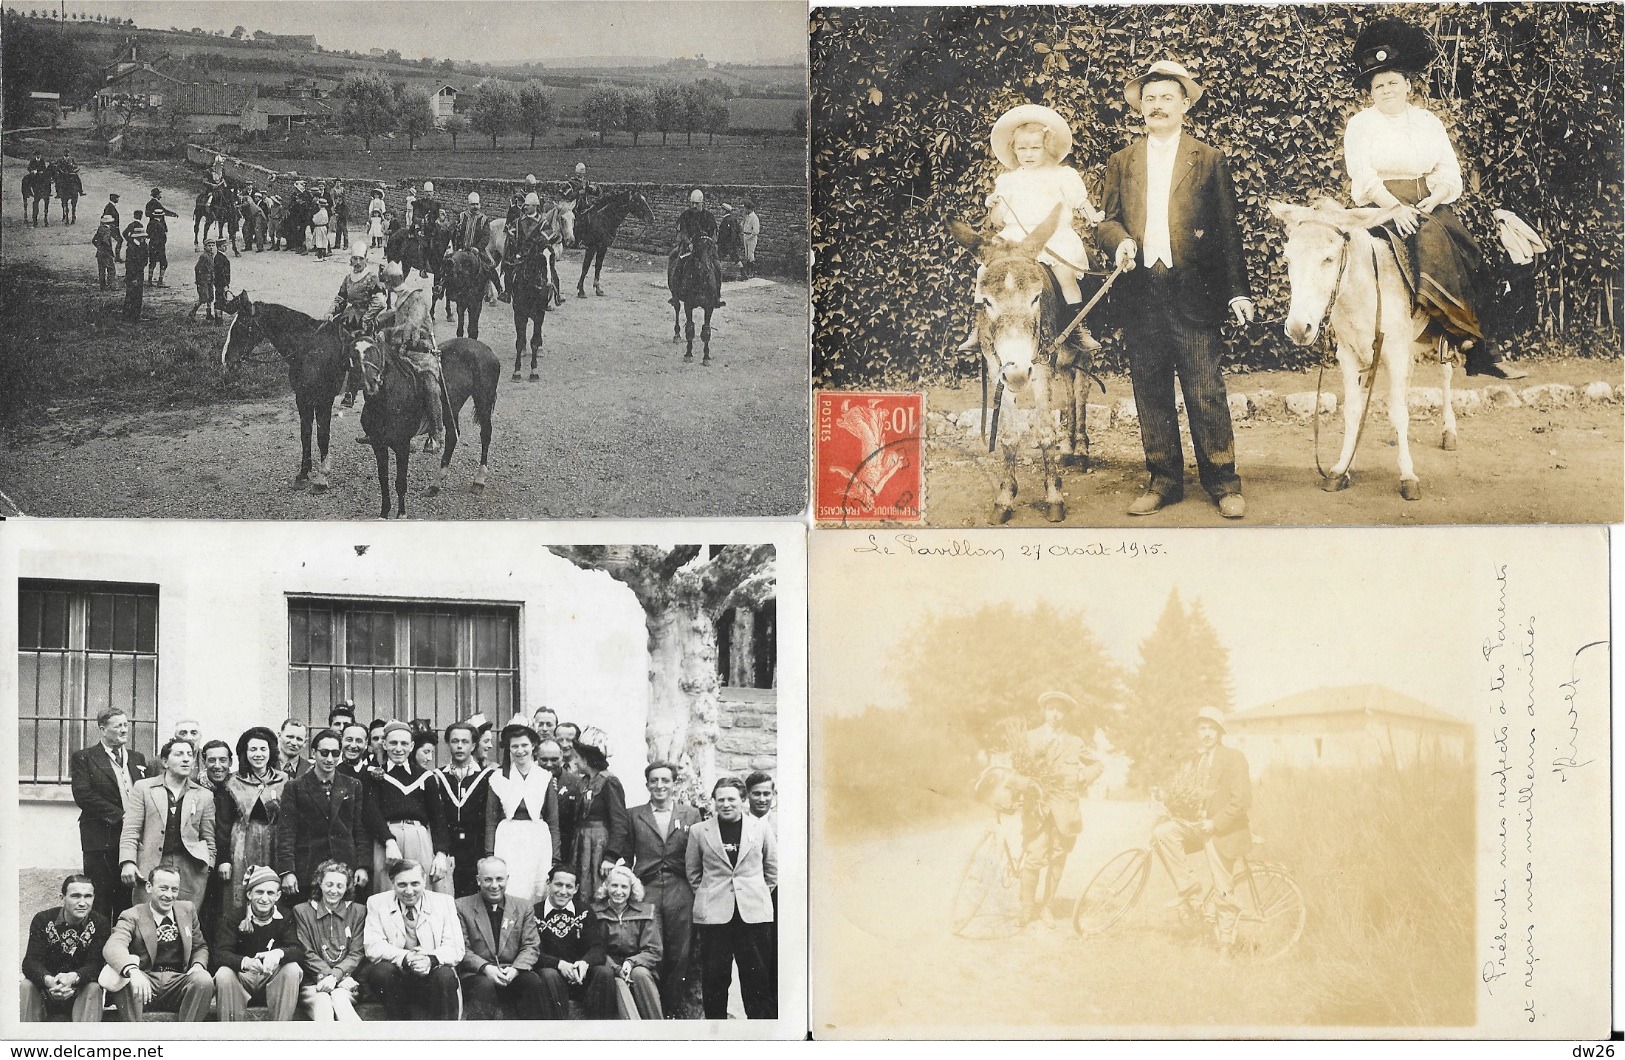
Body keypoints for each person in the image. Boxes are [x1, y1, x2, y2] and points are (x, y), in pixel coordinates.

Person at [1098, 60, 1254, 520]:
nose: (1157, 106)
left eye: (1167, 97)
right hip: (1141, 292)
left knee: (1205, 389)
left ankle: (1224, 483)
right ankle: (1163, 480)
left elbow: (1228, 230)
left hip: (1195, 292)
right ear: (1140, 109)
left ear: (1185, 104)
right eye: (1150, 99)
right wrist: (1121, 240)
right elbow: (1107, 221)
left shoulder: (1208, 158)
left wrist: (1238, 292)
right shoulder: (1121, 161)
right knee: (1150, 390)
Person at [1343, 17, 1523, 380]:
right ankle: (1447, 335)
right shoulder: (1361, 124)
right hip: (1379, 204)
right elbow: (1363, 176)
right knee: (1426, 242)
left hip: (1428, 201)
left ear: (1408, 85)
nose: (1386, 91)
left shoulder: (1427, 122)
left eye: (1393, 83)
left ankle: (1474, 346)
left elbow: (1448, 171)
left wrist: (1435, 196)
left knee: (1467, 251)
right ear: (1370, 91)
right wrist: (1393, 208)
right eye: (1378, 86)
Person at [1150, 706, 1253, 958]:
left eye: (1211, 728)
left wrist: (1215, 823)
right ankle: (1190, 888)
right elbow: (1189, 795)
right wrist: (1165, 797)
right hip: (1200, 827)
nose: (1206, 734)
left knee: (1223, 889)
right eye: (1202, 728)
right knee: (1163, 833)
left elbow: (1242, 800)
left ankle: (1225, 947)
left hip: (1223, 831)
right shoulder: (1196, 760)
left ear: (1220, 732)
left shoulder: (1233, 757)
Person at [687, 776, 776, 1019]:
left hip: (753, 914)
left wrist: (753, 894)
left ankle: (761, 1033)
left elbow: (772, 871)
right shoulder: (699, 831)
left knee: (756, 978)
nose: (726, 804)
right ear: (714, 802)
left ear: (743, 801)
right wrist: (710, 896)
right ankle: (716, 1032)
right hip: (715, 916)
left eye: (732, 799)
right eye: (721, 799)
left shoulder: (761, 829)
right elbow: (693, 873)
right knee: (715, 978)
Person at [1017, 691, 1103, 925]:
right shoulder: (1030, 738)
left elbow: (1097, 764)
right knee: (1034, 856)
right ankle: (1027, 907)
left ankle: (1047, 906)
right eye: (1051, 709)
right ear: (1044, 711)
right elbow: (1018, 768)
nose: (1055, 714)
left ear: (1065, 714)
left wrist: (1083, 776)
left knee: (1057, 858)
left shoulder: (1075, 742)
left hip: (1065, 811)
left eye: (1060, 710)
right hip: (1038, 809)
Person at [629, 759, 701, 1014]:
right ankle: (651, 1009)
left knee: (679, 951)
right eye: (654, 781)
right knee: (650, 947)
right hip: (646, 886)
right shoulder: (634, 814)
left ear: (674, 784)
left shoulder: (690, 813)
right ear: (647, 784)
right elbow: (626, 854)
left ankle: (670, 1010)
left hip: (679, 887)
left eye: (665, 781)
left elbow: (697, 852)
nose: (659, 786)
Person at [99, 865, 215, 1022]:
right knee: (122, 978)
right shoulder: (132, 915)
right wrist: (133, 972)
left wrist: (198, 966)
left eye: (174, 889)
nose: (169, 895)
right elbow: (113, 946)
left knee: (204, 980)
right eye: (163, 888)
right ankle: (137, 1037)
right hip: (144, 982)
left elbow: (199, 946)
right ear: (149, 887)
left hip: (178, 982)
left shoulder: (187, 909)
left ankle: (187, 1037)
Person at [274, 729, 379, 900]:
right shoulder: (295, 787)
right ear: (313, 753)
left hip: (345, 870)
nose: (330, 759)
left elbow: (360, 829)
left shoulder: (353, 785)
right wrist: (287, 871)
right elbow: (286, 832)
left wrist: (363, 866)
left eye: (335, 753)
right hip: (307, 870)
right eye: (324, 753)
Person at [70, 707, 149, 922]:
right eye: (118, 726)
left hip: (132, 842)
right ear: (103, 730)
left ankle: (121, 951)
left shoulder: (137, 758)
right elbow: (83, 795)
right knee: (101, 901)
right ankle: (99, 952)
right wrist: (122, 816)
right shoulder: (84, 757)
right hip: (101, 841)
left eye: (126, 725)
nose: (124, 730)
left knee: (128, 900)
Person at [119, 737, 216, 908]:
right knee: (146, 921)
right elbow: (131, 830)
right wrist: (128, 862)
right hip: (150, 866)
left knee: (184, 921)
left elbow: (208, 836)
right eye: (179, 754)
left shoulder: (204, 795)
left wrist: (207, 867)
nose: (186, 759)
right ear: (165, 761)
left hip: (190, 870)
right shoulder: (143, 788)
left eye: (190, 755)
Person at [362, 858, 464, 1020]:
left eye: (415, 884)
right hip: (398, 978)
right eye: (402, 885)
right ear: (392, 882)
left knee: (445, 975)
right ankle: (402, 1031)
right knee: (381, 971)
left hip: (432, 976)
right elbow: (373, 946)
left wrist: (430, 959)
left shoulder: (444, 903)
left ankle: (444, 1036)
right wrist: (406, 957)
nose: (409, 891)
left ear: (424, 881)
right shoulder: (377, 903)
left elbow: (456, 948)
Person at [366, 261, 448, 453]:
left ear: (390, 283)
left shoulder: (416, 298)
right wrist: (380, 319)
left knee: (430, 386)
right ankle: (379, 428)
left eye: (385, 284)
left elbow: (412, 326)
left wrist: (387, 333)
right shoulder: (401, 298)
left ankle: (437, 433)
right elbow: (398, 314)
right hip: (402, 352)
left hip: (422, 352)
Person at [455, 856, 547, 1019]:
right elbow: (462, 948)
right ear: (478, 880)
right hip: (479, 975)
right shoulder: (462, 906)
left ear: (507, 879)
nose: (494, 885)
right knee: (483, 986)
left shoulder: (523, 906)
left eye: (499, 879)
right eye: (488, 880)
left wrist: (516, 969)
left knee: (533, 982)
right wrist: (485, 968)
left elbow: (531, 945)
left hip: (512, 971)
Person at [215, 726, 289, 923]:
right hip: (241, 843)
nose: (258, 754)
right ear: (245, 753)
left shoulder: (283, 781)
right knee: (239, 894)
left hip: (274, 843)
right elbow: (222, 823)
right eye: (253, 750)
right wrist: (224, 859)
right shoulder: (232, 782)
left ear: (270, 752)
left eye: (263, 749)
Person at [369, 720, 453, 894]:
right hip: (387, 841)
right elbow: (371, 813)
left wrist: (441, 853)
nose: (398, 749)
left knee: (421, 890)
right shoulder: (373, 775)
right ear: (384, 744)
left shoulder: (425, 777)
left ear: (412, 745)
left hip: (419, 838)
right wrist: (388, 841)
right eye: (393, 743)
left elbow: (438, 818)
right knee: (387, 892)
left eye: (404, 743)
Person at [212, 865, 304, 1021]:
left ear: (278, 896)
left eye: (270, 893)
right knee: (223, 974)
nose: (264, 898)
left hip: (271, 980)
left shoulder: (286, 916)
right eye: (259, 892)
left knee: (293, 969)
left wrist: (277, 954)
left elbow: (297, 950)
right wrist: (245, 962)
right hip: (243, 980)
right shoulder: (234, 917)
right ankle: (229, 1033)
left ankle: (281, 1032)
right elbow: (220, 954)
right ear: (249, 894)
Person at [487, 724, 563, 905]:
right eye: (514, 746)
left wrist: (555, 857)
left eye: (524, 745)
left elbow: (553, 821)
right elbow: (490, 821)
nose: (520, 751)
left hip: (537, 839)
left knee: (537, 888)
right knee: (512, 886)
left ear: (533, 747)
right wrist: (490, 854)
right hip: (508, 838)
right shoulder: (497, 778)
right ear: (509, 749)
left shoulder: (544, 777)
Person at [21, 875, 108, 1022]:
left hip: (79, 990)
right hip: (47, 990)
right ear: (63, 897)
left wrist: (72, 978)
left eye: (88, 896)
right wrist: (50, 982)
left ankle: (86, 1041)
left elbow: (96, 965)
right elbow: (31, 962)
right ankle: (27, 1038)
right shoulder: (43, 919)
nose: (82, 903)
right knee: (26, 985)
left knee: (93, 987)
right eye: (75, 896)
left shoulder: (100, 923)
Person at [533, 865, 616, 1018]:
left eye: (569, 886)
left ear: (576, 888)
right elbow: (531, 952)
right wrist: (559, 964)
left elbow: (597, 948)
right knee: (549, 975)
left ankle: (601, 1033)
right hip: (551, 976)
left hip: (580, 977)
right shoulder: (534, 913)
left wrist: (584, 963)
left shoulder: (584, 911)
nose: (563, 891)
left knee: (604, 972)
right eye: (558, 884)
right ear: (548, 883)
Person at [292, 860, 367, 1022]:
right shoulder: (302, 911)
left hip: (347, 982)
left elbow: (357, 952)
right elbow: (306, 951)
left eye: (340, 886)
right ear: (319, 883)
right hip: (314, 982)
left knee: (340, 997)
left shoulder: (358, 911)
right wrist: (329, 977)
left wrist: (336, 977)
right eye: (329, 884)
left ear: (347, 887)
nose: (334, 890)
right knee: (323, 1000)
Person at [593, 863, 664, 1019]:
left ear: (631, 889)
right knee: (617, 982)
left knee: (641, 974)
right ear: (606, 887)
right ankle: (635, 1030)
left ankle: (657, 1027)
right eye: (614, 886)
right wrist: (617, 968)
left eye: (624, 887)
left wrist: (631, 963)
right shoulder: (595, 913)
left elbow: (653, 950)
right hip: (608, 966)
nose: (619, 891)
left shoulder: (645, 911)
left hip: (638, 964)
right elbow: (594, 949)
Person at [433, 721, 496, 898]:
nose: (459, 746)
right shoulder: (437, 777)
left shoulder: (488, 776)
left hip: (476, 850)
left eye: (465, 741)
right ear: (448, 744)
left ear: (474, 745)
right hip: (448, 850)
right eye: (454, 741)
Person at [572, 727, 630, 894]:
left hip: (599, 845)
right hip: (581, 843)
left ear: (587, 759)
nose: (575, 761)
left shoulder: (609, 782)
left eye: (577, 757)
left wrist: (611, 856)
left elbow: (620, 822)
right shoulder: (583, 783)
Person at [667, 188, 723, 308]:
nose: (694, 206)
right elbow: (682, 232)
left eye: (696, 203)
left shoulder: (709, 216)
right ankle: (675, 294)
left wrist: (709, 242)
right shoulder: (686, 215)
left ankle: (716, 296)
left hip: (705, 248)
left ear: (702, 203)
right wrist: (688, 243)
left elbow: (713, 233)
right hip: (688, 247)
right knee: (675, 259)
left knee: (717, 267)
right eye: (692, 203)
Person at [537, 738, 584, 869]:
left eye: (554, 759)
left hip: (566, 850)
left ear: (562, 756)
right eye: (544, 760)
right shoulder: (529, 782)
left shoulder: (576, 783)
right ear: (536, 757)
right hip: (537, 847)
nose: (549, 764)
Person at [452, 191, 502, 299]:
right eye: (472, 204)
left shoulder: (484, 219)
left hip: (477, 250)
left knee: (489, 265)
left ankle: (500, 290)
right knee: (450, 264)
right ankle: (445, 289)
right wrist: (458, 247)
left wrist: (478, 248)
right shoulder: (461, 217)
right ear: (468, 205)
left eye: (477, 204)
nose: (475, 207)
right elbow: (456, 233)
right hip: (463, 249)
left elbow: (486, 236)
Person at [143, 187, 180, 287]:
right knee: (163, 262)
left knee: (152, 261)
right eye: (159, 194)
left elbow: (147, 215)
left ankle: (150, 280)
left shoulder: (149, 205)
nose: (161, 195)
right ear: (157, 195)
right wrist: (173, 214)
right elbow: (164, 211)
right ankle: (160, 281)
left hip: (152, 240)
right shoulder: (156, 204)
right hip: (159, 242)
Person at [122, 214, 149, 322]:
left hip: (139, 273)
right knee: (133, 295)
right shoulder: (132, 248)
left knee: (137, 295)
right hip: (134, 274)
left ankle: (133, 315)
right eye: (143, 237)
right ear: (138, 237)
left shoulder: (140, 246)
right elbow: (130, 264)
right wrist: (133, 277)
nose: (144, 239)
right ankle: (131, 316)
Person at [187, 240, 219, 323]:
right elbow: (197, 268)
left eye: (212, 245)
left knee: (211, 297)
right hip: (203, 280)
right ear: (205, 247)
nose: (211, 247)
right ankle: (193, 311)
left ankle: (208, 314)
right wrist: (198, 280)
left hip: (210, 280)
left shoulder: (211, 255)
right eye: (209, 246)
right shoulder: (204, 256)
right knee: (204, 298)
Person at [94, 211, 118, 290]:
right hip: (106, 253)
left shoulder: (100, 229)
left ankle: (102, 286)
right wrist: (108, 250)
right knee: (111, 269)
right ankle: (112, 286)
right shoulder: (107, 230)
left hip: (99, 252)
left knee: (101, 270)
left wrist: (99, 247)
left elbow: (94, 240)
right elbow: (105, 240)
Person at [211, 237, 233, 321]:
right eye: (224, 246)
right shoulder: (219, 257)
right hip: (221, 283)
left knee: (221, 300)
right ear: (219, 247)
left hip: (222, 283)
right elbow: (220, 273)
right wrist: (225, 284)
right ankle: (218, 319)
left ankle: (219, 318)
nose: (225, 247)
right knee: (220, 301)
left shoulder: (220, 256)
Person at [718, 202, 745, 267]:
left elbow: (725, 233)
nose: (720, 211)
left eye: (722, 209)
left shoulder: (726, 220)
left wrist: (722, 242)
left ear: (725, 211)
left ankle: (718, 273)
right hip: (730, 243)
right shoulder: (732, 219)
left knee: (719, 257)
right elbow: (738, 230)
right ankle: (742, 271)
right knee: (734, 257)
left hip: (726, 243)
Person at [740, 199, 761, 277]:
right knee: (746, 255)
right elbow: (743, 225)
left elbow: (756, 231)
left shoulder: (754, 217)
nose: (744, 210)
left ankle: (752, 272)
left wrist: (749, 237)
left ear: (749, 208)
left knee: (750, 255)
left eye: (745, 208)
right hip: (746, 235)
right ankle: (748, 271)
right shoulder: (747, 216)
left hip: (751, 237)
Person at [103, 192, 123, 260]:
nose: (118, 199)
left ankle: (113, 256)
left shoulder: (110, 206)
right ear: (114, 199)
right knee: (120, 240)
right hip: (112, 227)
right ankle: (117, 257)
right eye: (117, 198)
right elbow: (105, 217)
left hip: (113, 227)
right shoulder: (109, 207)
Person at [311, 196, 332, 260]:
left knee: (319, 241)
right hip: (324, 227)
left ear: (320, 205)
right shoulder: (325, 211)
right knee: (324, 240)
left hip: (319, 227)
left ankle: (320, 256)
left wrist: (313, 217)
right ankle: (324, 254)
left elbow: (315, 220)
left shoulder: (320, 213)